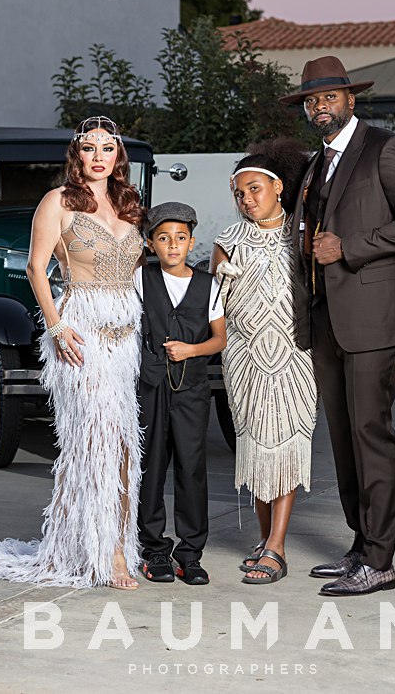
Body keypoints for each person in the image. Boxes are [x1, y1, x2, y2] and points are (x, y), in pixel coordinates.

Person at [0, 117, 144, 589]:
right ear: (76, 154)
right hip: (78, 329)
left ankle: (100, 542)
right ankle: (108, 555)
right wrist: (58, 327)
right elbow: (37, 269)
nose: (98, 156)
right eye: (89, 147)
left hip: (126, 336)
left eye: (108, 147)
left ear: (118, 155)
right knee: (94, 442)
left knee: (122, 445)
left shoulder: (129, 203)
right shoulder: (57, 202)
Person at [284, 56, 395, 596]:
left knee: (371, 435)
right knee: (343, 439)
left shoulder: (385, 149)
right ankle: (360, 545)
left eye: (328, 97)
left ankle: (380, 559)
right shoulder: (314, 163)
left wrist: (348, 249)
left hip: (375, 320)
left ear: (351, 99)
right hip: (327, 320)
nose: (319, 106)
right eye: (310, 99)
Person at [211, 142, 315, 586]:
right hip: (245, 356)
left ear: (278, 187)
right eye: (239, 194)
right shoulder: (226, 241)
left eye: (254, 189)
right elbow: (215, 304)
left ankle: (277, 545)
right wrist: (220, 276)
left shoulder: (304, 234)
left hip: (295, 354)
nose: (247, 200)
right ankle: (264, 538)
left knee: (287, 442)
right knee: (254, 445)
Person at [134, 202, 226, 587]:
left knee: (191, 468)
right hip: (150, 386)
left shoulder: (209, 284)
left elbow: (219, 338)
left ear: (191, 242)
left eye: (181, 239)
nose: (173, 246)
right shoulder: (142, 278)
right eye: (164, 238)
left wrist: (191, 349)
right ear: (151, 244)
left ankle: (190, 554)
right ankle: (154, 549)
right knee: (151, 466)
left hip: (192, 389)